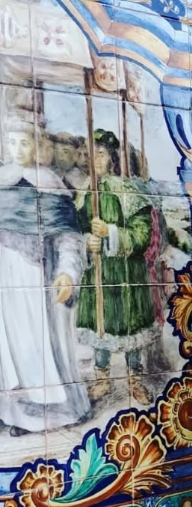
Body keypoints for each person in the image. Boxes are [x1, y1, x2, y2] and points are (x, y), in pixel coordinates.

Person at [0, 115, 90, 436]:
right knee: (10, 347)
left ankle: (49, 413)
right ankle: (15, 414)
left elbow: (69, 236)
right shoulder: (1, 180)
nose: (18, 148)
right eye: (12, 142)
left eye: (24, 142)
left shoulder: (50, 184)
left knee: (40, 348)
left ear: (36, 146)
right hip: (6, 280)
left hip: (39, 277)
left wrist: (67, 271)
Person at [76, 129, 156, 405]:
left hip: (126, 275)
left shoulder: (129, 191)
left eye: (99, 153)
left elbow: (142, 235)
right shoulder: (85, 192)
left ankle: (136, 380)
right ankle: (102, 380)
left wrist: (111, 233)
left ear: (111, 157)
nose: (94, 160)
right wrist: (88, 240)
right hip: (98, 273)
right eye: (90, 154)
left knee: (131, 330)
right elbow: (75, 230)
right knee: (101, 328)